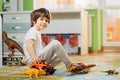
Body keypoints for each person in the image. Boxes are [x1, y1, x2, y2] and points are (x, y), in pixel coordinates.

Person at [22, 8, 94, 72]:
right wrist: (34, 57)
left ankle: (46, 67)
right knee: (55, 43)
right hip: (34, 59)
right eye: (41, 19)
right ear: (34, 21)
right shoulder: (33, 31)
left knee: (62, 54)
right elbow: (29, 45)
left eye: (47, 21)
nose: (44, 22)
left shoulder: (36, 31)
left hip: (38, 58)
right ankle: (70, 65)